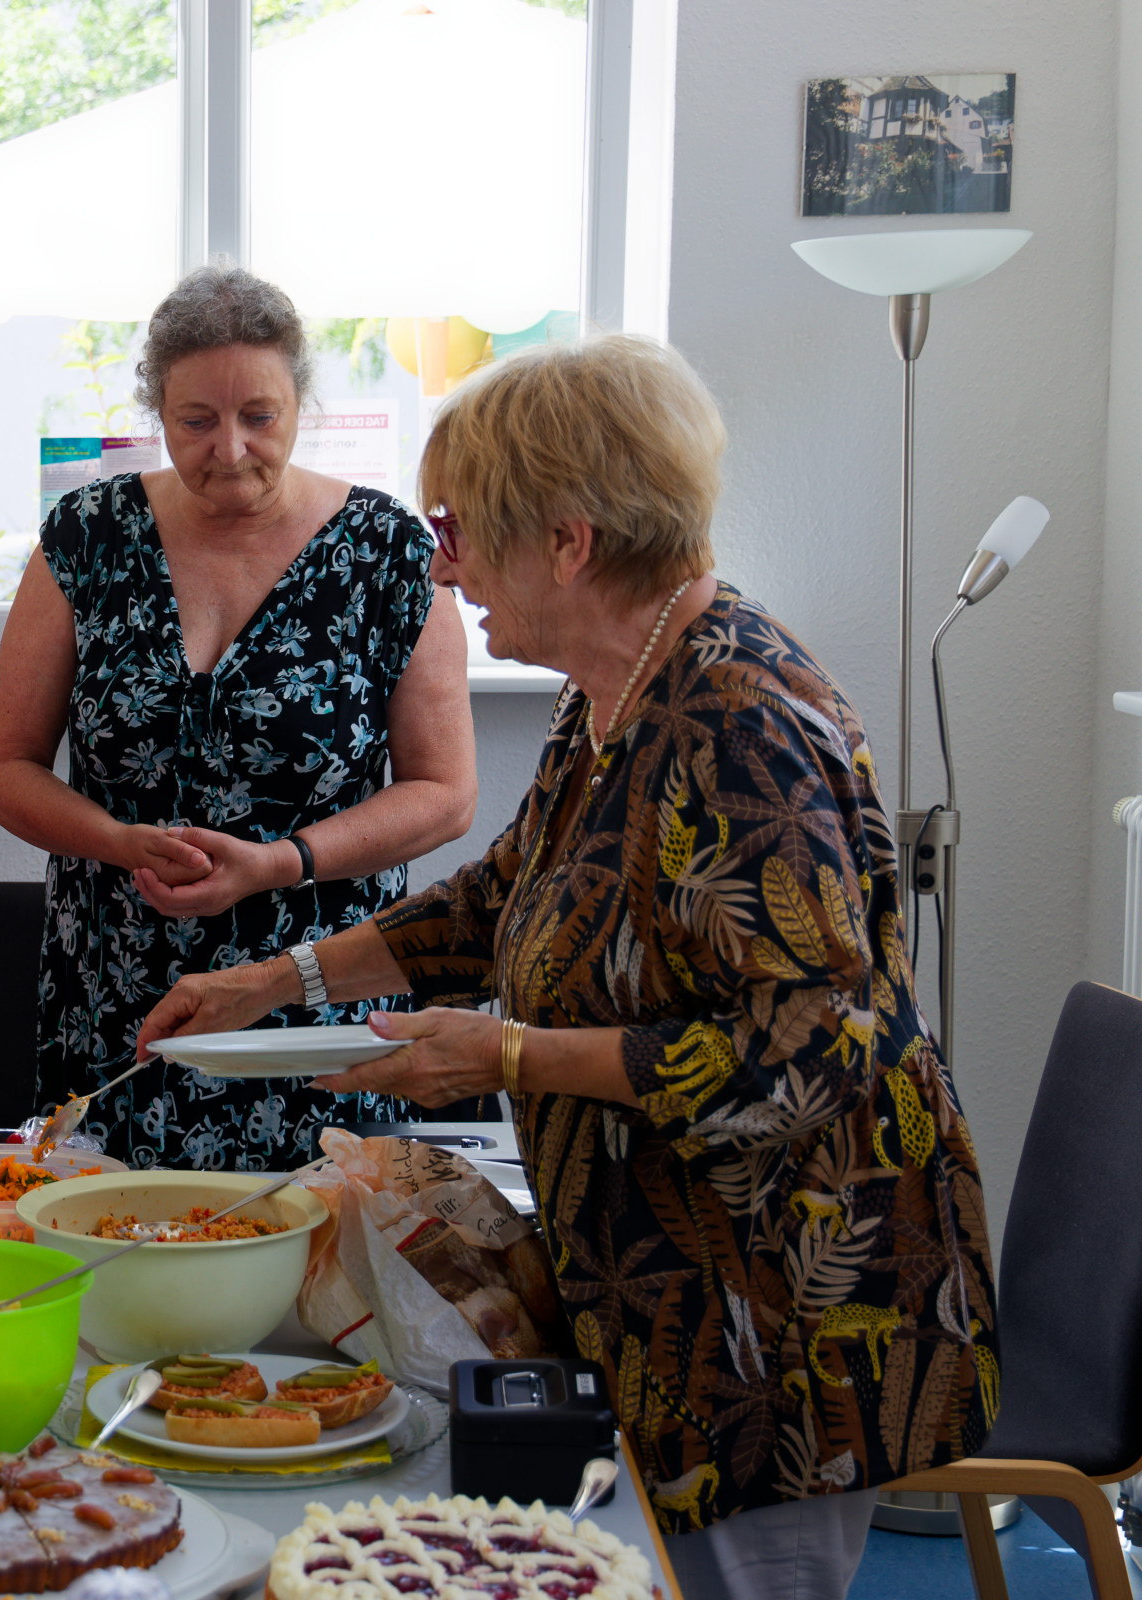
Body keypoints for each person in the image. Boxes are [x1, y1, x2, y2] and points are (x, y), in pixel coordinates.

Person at [137, 335, 999, 1600]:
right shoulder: (618, 688)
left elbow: (809, 1050)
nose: (443, 565)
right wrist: (278, 981)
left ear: (569, 541)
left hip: (784, 1326)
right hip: (678, 1300)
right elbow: (505, 895)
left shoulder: (740, 722)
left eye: (457, 529)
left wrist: (509, 1056)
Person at [0, 263, 478, 1170]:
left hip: (314, 995)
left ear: (301, 404)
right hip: (115, 995)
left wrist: (280, 863)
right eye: (196, 422)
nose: (230, 449)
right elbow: (2, 769)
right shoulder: (87, 537)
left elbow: (445, 794)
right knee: (109, 1232)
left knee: (317, 1235)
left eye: (260, 417)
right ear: (158, 414)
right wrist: (118, 841)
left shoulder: (389, 553)